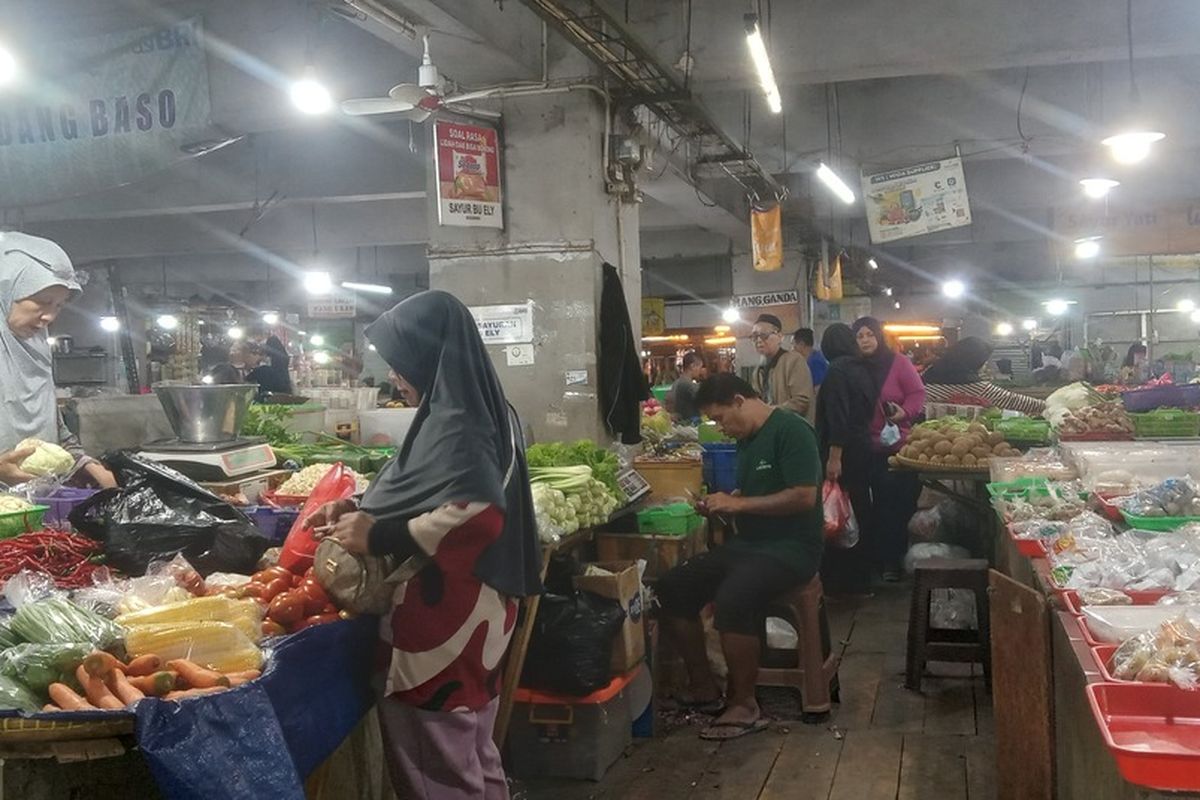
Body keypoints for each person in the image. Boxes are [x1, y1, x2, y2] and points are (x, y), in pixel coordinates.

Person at [306, 290, 541, 800]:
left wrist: (380, 532)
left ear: (429, 356)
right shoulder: (484, 407)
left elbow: (479, 512)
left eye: (399, 363)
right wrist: (365, 507)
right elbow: (438, 488)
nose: (394, 375)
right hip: (481, 615)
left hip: (444, 621)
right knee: (472, 753)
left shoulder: (458, 423)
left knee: (436, 770)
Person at [656, 374, 823, 741]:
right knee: (670, 588)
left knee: (735, 594)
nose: (720, 428)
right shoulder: (746, 439)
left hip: (793, 549)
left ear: (738, 400)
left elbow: (802, 497)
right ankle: (704, 687)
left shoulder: (792, 431)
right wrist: (725, 503)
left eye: (719, 418)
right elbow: (756, 493)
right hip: (749, 545)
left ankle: (745, 704)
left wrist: (740, 503)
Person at [0, 233, 116, 488]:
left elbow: (55, 430)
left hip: (34, 507)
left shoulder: (36, 350)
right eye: (42, 302)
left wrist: (85, 463)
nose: (49, 317)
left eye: (60, 305)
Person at [853, 317, 926, 582]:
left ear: (879, 337)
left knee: (892, 506)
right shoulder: (853, 367)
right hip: (862, 448)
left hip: (896, 449)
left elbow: (917, 393)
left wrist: (904, 412)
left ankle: (891, 561)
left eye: (869, 335)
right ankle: (871, 558)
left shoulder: (898, 363)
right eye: (859, 336)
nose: (865, 340)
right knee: (866, 506)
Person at [814, 324, 876, 595]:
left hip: (845, 453)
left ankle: (841, 582)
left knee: (837, 515)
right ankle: (862, 579)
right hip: (862, 448)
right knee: (857, 510)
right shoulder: (861, 368)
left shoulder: (837, 371)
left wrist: (833, 457)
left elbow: (838, 418)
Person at [922, 337, 1046, 415]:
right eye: (983, 361)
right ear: (975, 361)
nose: (985, 365)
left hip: (919, 435)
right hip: (960, 440)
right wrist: (1048, 405)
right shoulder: (976, 387)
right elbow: (1013, 400)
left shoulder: (928, 374)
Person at [750, 314, 814, 419]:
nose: (758, 340)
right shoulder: (757, 371)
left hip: (794, 429)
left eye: (764, 335)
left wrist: (768, 411)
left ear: (780, 337)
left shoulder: (794, 360)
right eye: (754, 336)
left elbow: (802, 401)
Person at [667, 351, 704, 421]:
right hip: (690, 424)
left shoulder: (677, 382)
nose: (700, 371)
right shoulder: (686, 384)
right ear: (692, 366)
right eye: (700, 367)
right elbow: (703, 399)